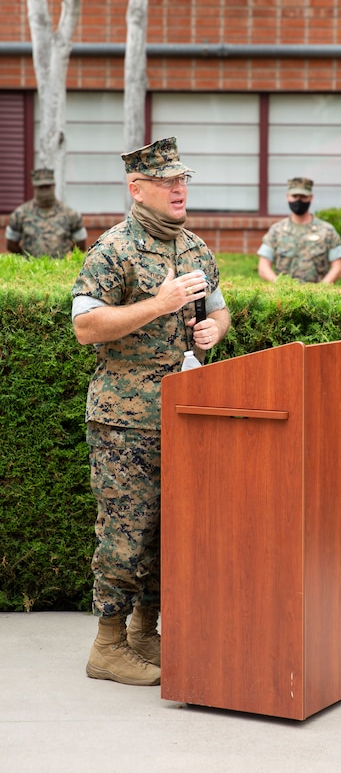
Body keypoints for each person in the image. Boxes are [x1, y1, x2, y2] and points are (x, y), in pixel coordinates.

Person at [71, 137, 230, 686]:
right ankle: (107, 646)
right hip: (125, 420)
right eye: (168, 182)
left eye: (183, 180)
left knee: (170, 531)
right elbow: (86, 327)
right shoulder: (111, 250)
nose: (179, 189)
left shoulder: (195, 248)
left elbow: (218, 309)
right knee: (126, 532)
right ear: (138, 189)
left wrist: (214, 329)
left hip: (183, 414)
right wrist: (158, 305)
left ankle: (144, 631)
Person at [257, 177, 341, 284]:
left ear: (311, 197)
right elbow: (263, 267)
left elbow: (338, 267)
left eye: (303, 196)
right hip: (283, 298)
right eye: (294, 196)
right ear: (287, 197)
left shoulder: (327, 231)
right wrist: (279, 285)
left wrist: (320, 289)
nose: (298, 200)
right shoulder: (276, 231)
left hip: (316, 298)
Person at [6, 168, 87, 257]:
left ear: (54, 186)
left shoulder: (71, 214)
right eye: (41, 187)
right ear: (34, 188)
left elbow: (81, 245)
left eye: (48, 187)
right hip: (31, 269)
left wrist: (67, 259)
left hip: (61, 269)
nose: (45, 191)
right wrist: (26, 259)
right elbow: (11, 244)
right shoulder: (20, 214)